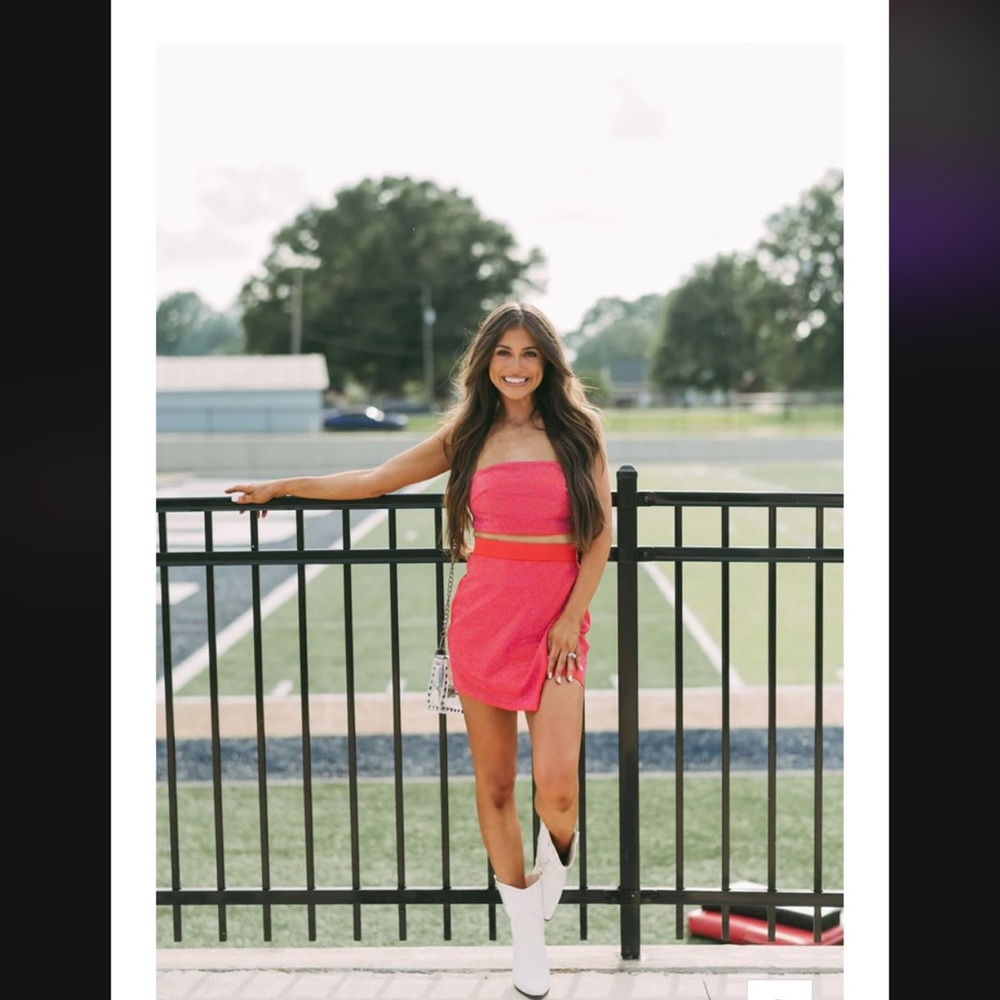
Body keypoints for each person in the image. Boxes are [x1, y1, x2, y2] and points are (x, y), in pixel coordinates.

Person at [226, 302, 613, 999]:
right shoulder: (466, 435)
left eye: (529, 353)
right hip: (483, 620)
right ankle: (527, 933)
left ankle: (551, 876)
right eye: (504, 353)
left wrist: (571, 617)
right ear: (486, 361)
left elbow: (603, 534)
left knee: (557, 788)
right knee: (495, 787)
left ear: (548, 362)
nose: (516, 366)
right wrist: (284, 486)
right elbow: (372, 480)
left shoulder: (578, 431)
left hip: (557, 627)